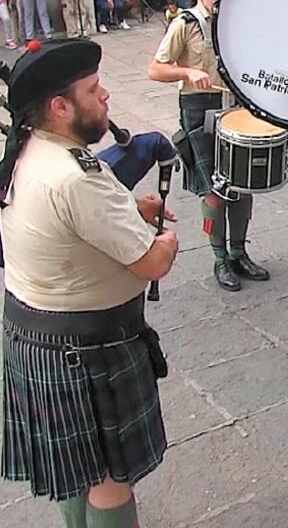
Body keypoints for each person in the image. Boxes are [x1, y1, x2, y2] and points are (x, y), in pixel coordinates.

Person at [0, 38, 178, 528]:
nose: (105, 98)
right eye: (94, 90)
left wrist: (129, 212)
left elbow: (71, 225)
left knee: (75, 469)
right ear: (60, 107)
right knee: (108, 480)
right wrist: (164, 238)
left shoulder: (28, 152)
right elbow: (150, 263)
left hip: (36, 337)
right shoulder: (76, 176)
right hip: (88, 349)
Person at [147, 0, 270, 292]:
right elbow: (156, 69)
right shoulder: (184, 25)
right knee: (214, 190)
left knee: (242, 185)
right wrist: (187, 73)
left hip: (235, 107)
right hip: (200, 110)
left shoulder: (234, 22)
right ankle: (219, 258)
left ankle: (239, 252)